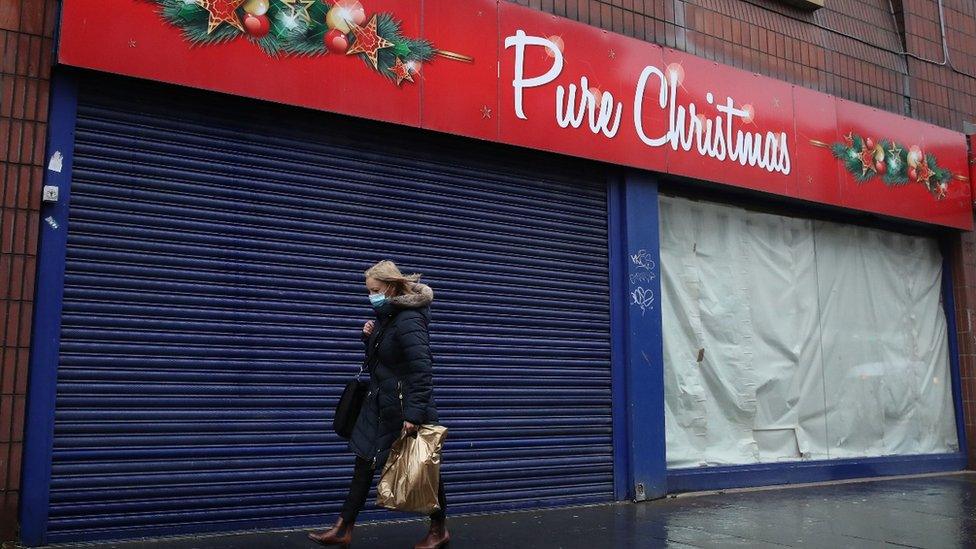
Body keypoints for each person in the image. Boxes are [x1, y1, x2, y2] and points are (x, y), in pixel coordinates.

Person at [309, 260, 448, 548]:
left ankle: (438, 530)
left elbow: (421, 369)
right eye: (369, 291)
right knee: (363, 462)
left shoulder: (409, 319)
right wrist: (368, 338)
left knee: (421, 469)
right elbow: (385, 363)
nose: (371, 295)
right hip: (379, 406)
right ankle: (343, 527)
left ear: (391, 287)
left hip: (402, 410)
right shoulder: (388, 317)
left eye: (375, 290)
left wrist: (413, 413)